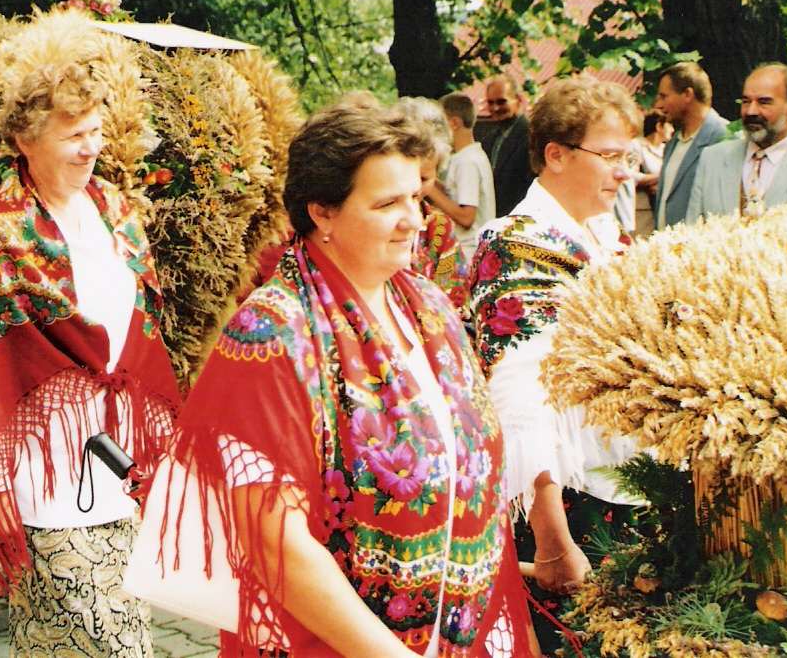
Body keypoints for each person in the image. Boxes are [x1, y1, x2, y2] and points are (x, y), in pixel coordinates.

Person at [169, 92, 535, 657]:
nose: (415, 220)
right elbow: (275, 539)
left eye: (416, 196)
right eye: (388, 203)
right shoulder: (272, 332)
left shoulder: (430, 308)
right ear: (323, 212)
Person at [0, 51, 181, 655]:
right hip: (41, 465)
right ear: (25, 140)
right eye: (73, 135)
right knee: (91, 630)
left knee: (91, 629)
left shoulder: (115, 209)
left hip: (117, 456)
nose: (90, 148)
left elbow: (141, 330)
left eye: (95, 131)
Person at [467, 76, 643, 652]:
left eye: (628, 158)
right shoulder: (517, 244)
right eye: (610, 156)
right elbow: (519, 403)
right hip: (569, 502)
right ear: (557, 155)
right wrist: (552, 539)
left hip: (620, 487)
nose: (625, 173)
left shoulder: (603, 233)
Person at [686, 63, 787, 221]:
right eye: (746, 101)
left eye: (764, 102)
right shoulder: (712, 159)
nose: (751, 111)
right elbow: (692, 229)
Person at [394, 97, 470, 312]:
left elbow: (455, 304)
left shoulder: (439, 228)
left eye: (424, 178)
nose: (414, 188)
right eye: (406, 176)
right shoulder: (368, 219)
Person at [652, 62, 728, 228]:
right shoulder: (672, 143)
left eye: (664, 96)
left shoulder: (724, 138)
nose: (658, 105)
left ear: (687, 94)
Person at [438, 93, 495, 262]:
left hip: (468, 253)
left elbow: (466, 217)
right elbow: (453, 197)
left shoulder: (467, 161)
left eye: (440, 124)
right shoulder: (469, 156)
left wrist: (431, 191)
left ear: (454, 123)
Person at [477, 75, 533, 216]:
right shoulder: (489, 139)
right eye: (490, 103)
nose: (495, 108)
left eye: (501, 102)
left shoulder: (532, 137)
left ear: (518, 100)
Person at [631, 111, 673, 237]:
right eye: (669, 125)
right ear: (659, 126)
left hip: (662, 206)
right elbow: (632, 176)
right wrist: (662, 176)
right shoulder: (637, 146)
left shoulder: (666, 149)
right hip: (643, 209)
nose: (672, 129)